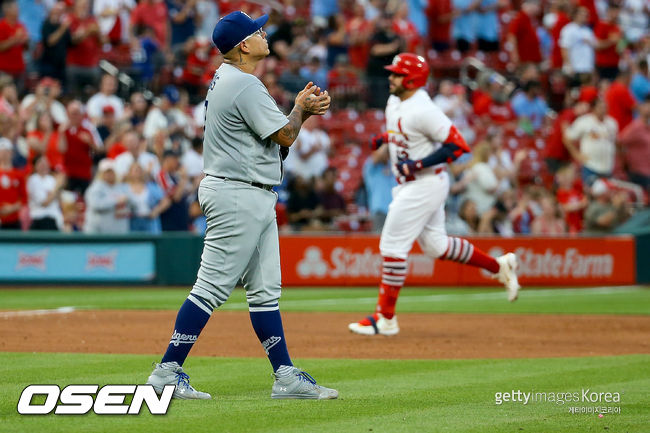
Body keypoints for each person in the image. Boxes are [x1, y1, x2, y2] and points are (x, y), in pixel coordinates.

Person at [146, 11, 338, 400]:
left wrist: (299, 109)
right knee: (211, 287)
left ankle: (285, 375)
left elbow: (272, 137)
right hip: (238, 193)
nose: (265, 33)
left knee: (265, 291)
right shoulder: (243, 83)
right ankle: (166, 372)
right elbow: (285, 134)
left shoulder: (228, 78)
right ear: (243, 45)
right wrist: (302, 108)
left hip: (250, 190)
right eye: (258, 30)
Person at [348, 53, 520, 337]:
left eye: (396, 74)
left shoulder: (423, 109)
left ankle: (385, 318)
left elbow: (457, 145)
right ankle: (499, 265)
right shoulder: (395, 101)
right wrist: (386, 139)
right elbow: (405, 132)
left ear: (412, 79)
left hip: (423, 182)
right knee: (437, 247)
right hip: (414, 183)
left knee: (392, 246)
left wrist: (417, 163)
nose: (390, 77)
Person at [83, 158, 129, 233]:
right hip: (98, 233)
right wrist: (116, 201)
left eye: (112, 172)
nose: (110, 175)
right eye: (107, 172)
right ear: (101, 173)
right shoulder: (96, 187)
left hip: (118, 232)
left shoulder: (120, 187)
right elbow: (95, 204)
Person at [27, 155, 65, 230]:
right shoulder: (33, 179)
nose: (44, 165)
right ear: (35, 166)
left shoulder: (52, 179)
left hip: (55, 218)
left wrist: (54, 193)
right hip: (41, 218)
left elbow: (59, 201)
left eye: (46, 162)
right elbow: (44, 203)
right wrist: (56, 187)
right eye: (41, 163)